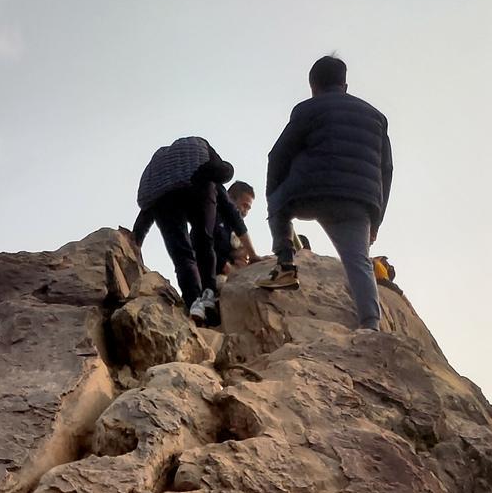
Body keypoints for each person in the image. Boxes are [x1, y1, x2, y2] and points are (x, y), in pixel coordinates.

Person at [260, 55, 393, 331]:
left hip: (311, 191)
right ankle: (371, 324)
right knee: (358, 261)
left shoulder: (307, 109)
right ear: (345, 85)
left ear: (313, 86)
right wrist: (376, 219)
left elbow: (278, 155)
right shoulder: (377, 118)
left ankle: (285, 266)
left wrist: (275, 196)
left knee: (278, 202)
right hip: (359, 201)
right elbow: (386, 170)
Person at [131, 136, 235, 325]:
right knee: (204, 241)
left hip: (162, 197)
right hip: (198, 183)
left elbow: (147, 209)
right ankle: (208, 294)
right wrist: (209, 175)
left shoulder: (159, 174)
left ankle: (194, 302)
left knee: (182, 254)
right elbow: (223, 172)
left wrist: (135, 240)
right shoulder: (201, 149)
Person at [215, 181, 262, 274]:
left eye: (248, 209)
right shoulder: (212, 218)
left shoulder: (237, 232)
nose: (245, 212)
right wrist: (225, 265)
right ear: (230, 199)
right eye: (244, 205)